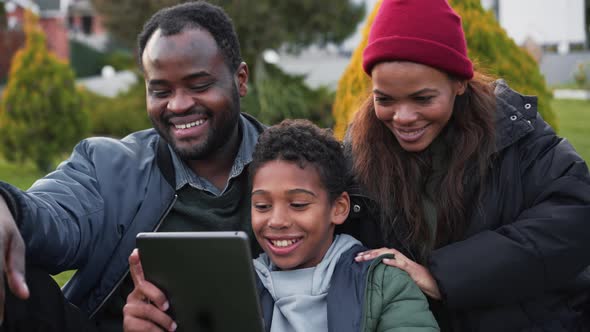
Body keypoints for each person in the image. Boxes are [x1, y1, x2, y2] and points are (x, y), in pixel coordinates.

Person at [0, 2, 265, 331]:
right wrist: (5, 206)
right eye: (160, 90)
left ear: (240, 80)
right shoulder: (108, 167)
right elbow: (51, 215)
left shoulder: (301, 168)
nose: (178, 105)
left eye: (199, 85)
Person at [346, 0, 590, 331]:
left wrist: (443, 276)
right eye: (384, 99)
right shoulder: (357, 157)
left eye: (423, 99)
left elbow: (575, 216)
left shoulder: (517, 137)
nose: (402, 118)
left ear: (459, 83)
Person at [123, 119, 439, 332]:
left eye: (298, 204)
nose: (276, 221)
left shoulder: (383, 285)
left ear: (338, 208)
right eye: (262, 205)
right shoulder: (228, 287)